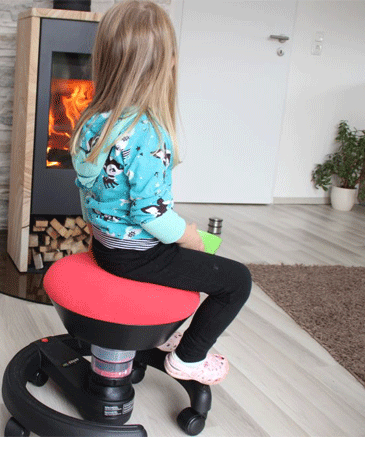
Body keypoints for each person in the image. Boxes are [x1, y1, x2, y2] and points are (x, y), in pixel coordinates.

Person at [69, 0, 252, 386]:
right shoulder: (147, 133)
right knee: (236, 280)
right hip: (136, 256)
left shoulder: (91, 121)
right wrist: (191, 237)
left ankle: (163, 332)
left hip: (105, 246)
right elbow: (151, 215)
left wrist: (97, 232)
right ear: (166, 63)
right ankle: (189, 358)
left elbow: (87, 190)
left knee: (201, 253)